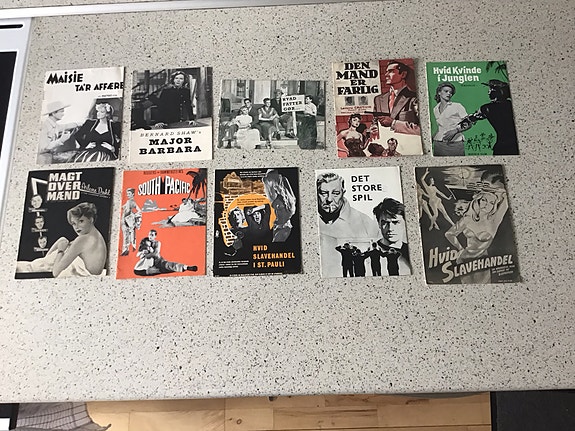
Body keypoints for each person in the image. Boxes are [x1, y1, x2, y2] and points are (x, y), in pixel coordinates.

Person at [16, 202, 107, 278]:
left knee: (28, 266)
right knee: (60, 243)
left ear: (91, 219)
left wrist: (61, 250)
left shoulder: (83, 240)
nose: (76, 227)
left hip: (54, 270)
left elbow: (55, 273)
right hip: (51, 266)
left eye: (81, 221)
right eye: (73, 223)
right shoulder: (97, 236)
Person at [445, 182, 509, 283]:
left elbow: (505, 200)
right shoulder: (467, 219)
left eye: (491, 203)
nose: (487, 205)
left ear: (494, 206)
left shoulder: (494, 220)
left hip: (483, 263)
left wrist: (499, 190)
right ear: (477, 201)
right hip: (464, 261)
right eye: (484, 200)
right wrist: (460, 249)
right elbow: (449, 234)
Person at [460, 79, 519, 155]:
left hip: (502, 147)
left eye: (491, 89)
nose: (489, 92)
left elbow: (473, 117)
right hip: (515, 146)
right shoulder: (512, 105)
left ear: (498, 92)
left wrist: (465, 120)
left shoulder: (487, 108)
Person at [373, 60, 420, 135]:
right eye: (386, 72)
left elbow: (422, 129)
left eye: (391, 71)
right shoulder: (378, 99)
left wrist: (393, 123)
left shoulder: (414, 98)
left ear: (403, 74)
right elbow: (374, 123)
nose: (386, 75)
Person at [133, 229, 197, 276]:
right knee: (159, 270)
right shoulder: (145, 241)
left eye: (152, 235)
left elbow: (156, 253)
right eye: (149, 234)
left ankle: (186, 267)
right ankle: (182, 268)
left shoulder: (157, 243)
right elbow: (139, 253)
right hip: (149, 264)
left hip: (158, 261)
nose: (150, 236)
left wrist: (147, 255)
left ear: (155, 236)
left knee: (169, 265)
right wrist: (143, 252)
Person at [373, 198, 411, 276]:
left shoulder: (410, 251)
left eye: (396, 222)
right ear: (379, 224)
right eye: (385, 223)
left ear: (405, 223)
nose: (390, 228)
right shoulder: (373, 253)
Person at [432, 82, 469, 156]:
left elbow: (468, 123)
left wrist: (455, 131)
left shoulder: (457, 106)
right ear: (439, 92)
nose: (449, 94)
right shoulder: (435, 109)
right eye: (446, 91)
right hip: (438, 144)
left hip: (455, 144)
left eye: (451, 92)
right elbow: (440, 127)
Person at [262, 169, 297, 242]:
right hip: (277, 226)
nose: (271, 184)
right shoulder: (274, 196)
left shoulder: (289, 203)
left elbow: (291, 211)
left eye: (271, 181)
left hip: (284, 227)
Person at [120, 188, 142, 256]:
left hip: (126, 220)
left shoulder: (131, 202)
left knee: (126, 235)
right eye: (127, 194)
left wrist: (133, 215)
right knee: (127, 234)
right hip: (126, 220)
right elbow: (123, 208)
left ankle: (126, 249)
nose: (127, 195)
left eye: (129, 194)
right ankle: (126, 249)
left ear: (133, 194)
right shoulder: (129, 202)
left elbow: (139, 211)